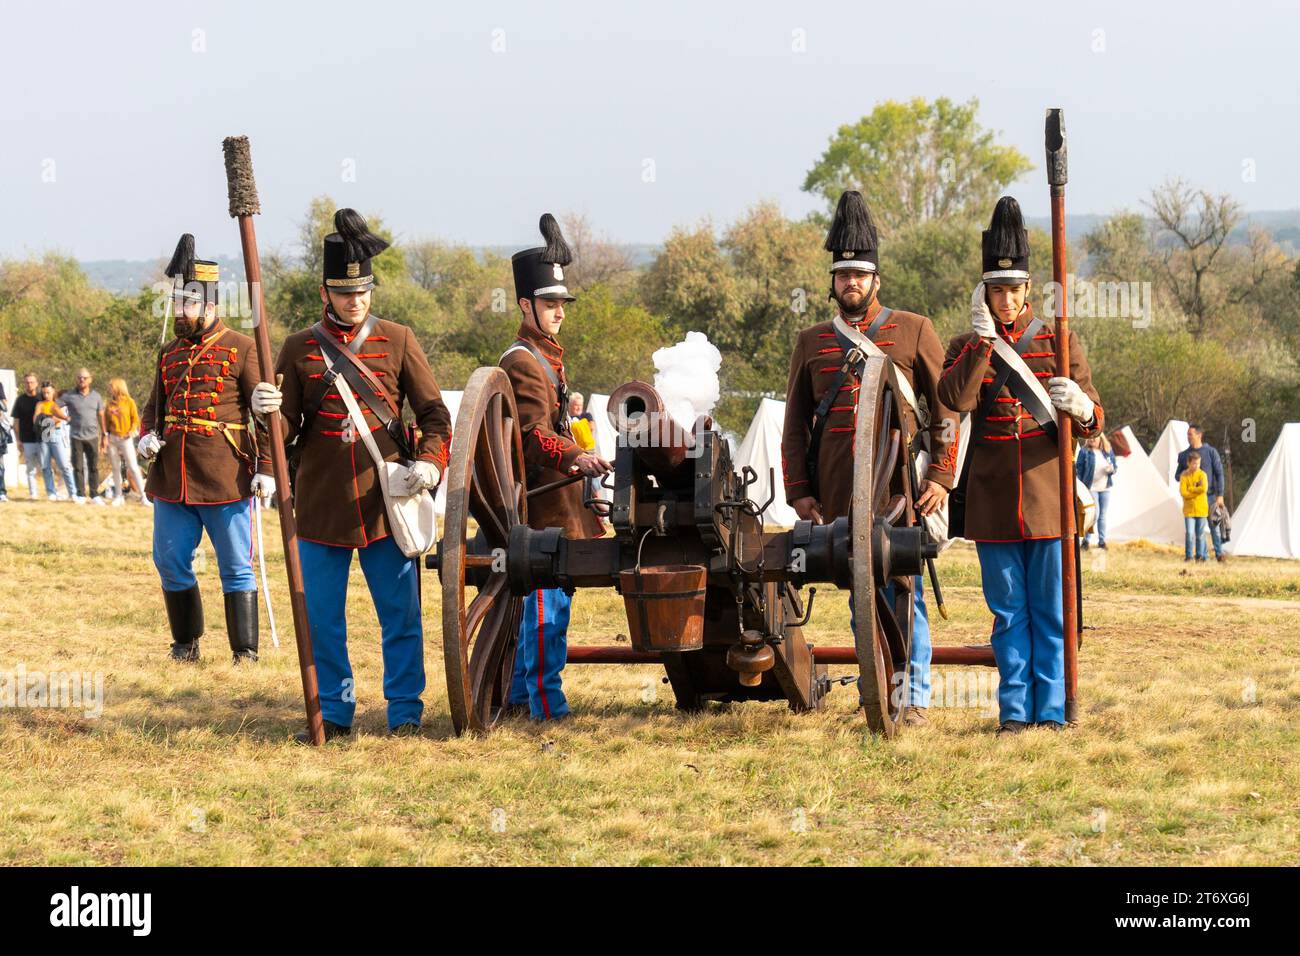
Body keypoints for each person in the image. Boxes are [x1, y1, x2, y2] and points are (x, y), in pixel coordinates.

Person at [255, 209, 453, 742]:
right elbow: (288, 428)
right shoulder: (299, 348)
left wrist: (431, 462)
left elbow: (435, 414)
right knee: (323, 622)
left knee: (401, 617)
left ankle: (406, 713)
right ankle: (337, 717)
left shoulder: (399, 339)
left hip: (387, 505)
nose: (356, 301)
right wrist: (265, 410)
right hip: (320, 507)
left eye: (363, 291)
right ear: (326, 291)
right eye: (345, 293)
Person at [781, 191, 959, 727]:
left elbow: (946, 404)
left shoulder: (913, 330)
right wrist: (800, 493)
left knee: (907, 594)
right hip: (838, 495)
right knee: (861, 601)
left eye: (860, 275)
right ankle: (879, 690)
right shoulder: (812, 342)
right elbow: (794, 425)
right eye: (843, 276)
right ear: (832, 283)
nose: (851, 284)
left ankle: (914, 698)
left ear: (876, 279)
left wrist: (944, 475)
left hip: (900, 490)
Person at [939, 196, 1104, 735]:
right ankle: (1014, 711)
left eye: (1014, 289)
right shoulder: (968, 345)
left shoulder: (1060, 341)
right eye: (996, 290)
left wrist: (1080, 408)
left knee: (1053, 616)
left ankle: (1051, 710)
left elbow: (1096, 418)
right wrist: (984, 343)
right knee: (1008, 615)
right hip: (992, 503)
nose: (1006, 300)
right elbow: (955, 398)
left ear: (1029, 290)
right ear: (983, 293)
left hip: (1049, 498)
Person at [139, 234, 274, 664]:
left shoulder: (242, 348)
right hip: (173, 477)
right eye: (177, 303)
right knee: (170, 560)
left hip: (224, 474)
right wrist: (145, 436)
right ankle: (186, 643)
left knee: (236, 566)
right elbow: (152, 406)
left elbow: (265, 413)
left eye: (188, 305)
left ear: (210, 307)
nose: (180, 311)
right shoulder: (168, 353)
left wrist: (266, 467)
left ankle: (244, 652)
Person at [500, 214, 612, 722]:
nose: (559, 312)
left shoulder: (546, 356)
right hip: (544, 506)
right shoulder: (523, 360)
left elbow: (547, 421)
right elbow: (530, 434)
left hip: (563, 499)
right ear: (526, 305)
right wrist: (575, 454)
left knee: (553, 606)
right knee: (547, 608)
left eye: (562, 304)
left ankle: (527, 695)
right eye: (549, 304)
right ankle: (545, 704)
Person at [1176, 425, 1226, 562]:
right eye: (1187, 434)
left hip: (1210, 497)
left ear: (1199, 435)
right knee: (1198, 531)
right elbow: (1177, 476)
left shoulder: (1211, 452)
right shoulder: (1184, 455)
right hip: (1193, 500)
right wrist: (1187, 474)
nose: (1188, 437)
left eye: (1190, 434)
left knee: (1214, 527)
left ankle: (1219, 554)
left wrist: (1220, 494)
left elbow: (1219, 473)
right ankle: (1203, 556)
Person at [63, 368, 108, 505]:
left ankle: (94, 494)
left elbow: (101, 415)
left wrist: (104, 434)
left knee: (93, 466)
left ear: (90, 379)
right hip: (76, 436)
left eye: (84, 378)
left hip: (93, 436)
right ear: (76, 379)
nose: (82, 380)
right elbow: (54, 406)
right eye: (79, 377)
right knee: (78, 467)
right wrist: (65, 417)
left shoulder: (96, 396)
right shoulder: (69, 395)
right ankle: (81, 494)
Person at [105, 377, 147, 507]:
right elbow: (106, 422)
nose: (109, 389)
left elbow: (135, 419)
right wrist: (105, 436)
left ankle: (143, 496)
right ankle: (118, 496)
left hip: (126, 438)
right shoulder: (109, 404)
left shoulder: (129, 402)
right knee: (116, 468)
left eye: (111, 386)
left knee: (133, 467)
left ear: (118, 387)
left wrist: (131, 431)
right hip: (113, 438)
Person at [34, 382, 77, 500]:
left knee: (64, 465)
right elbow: (36, 419)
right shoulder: (40, 404)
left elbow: (62, 418)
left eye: (48, 392)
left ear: (53, 392)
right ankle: (51, 492)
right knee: (45, 466)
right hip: (44, 435)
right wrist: (49, 419)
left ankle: (73, 493)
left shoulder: (57, 404)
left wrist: (47, 419)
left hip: (56, 434)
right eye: (44, 393)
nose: (46, 395)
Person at [1075, 433, 1116, 549]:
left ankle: (1102, 542)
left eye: (1094, 437)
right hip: (1091, 488)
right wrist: (1081, 485)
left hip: (1105, 488)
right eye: (1090, 437)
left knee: (1102, 515)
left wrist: (1111, 469)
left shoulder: (1107, 451)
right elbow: (1078, 468)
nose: (1092, 439)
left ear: (1100, 438)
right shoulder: (1084, 452)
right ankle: (1086, 541)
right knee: (1095, 514)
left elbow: (1115, 467)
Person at [12, 373, 47, 499]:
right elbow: (16, 422)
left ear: (37, 383)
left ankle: (51, 493)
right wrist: (18, 440)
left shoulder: (43, 398)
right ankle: (33, 494)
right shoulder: (20, 400)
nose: (29, 384)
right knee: (30, 469)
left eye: (32, 382)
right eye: (27, 382)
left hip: (43, 439)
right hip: (27, 440)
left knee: (46, 467)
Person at [1179, 451, 1210, 562]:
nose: (1196, 466)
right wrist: (1195, 492)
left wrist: (1191, 489)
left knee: (1200, 535)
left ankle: (1200, 555)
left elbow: (1204, 489)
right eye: (1194, 463)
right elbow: (1183, 492)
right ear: (1188, 463)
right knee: (1189, 533)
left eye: (1198, 463)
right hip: (1189, 511)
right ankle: (1189, 556)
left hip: (1201, 509)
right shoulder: (1184, 475)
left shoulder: (1202, 475)